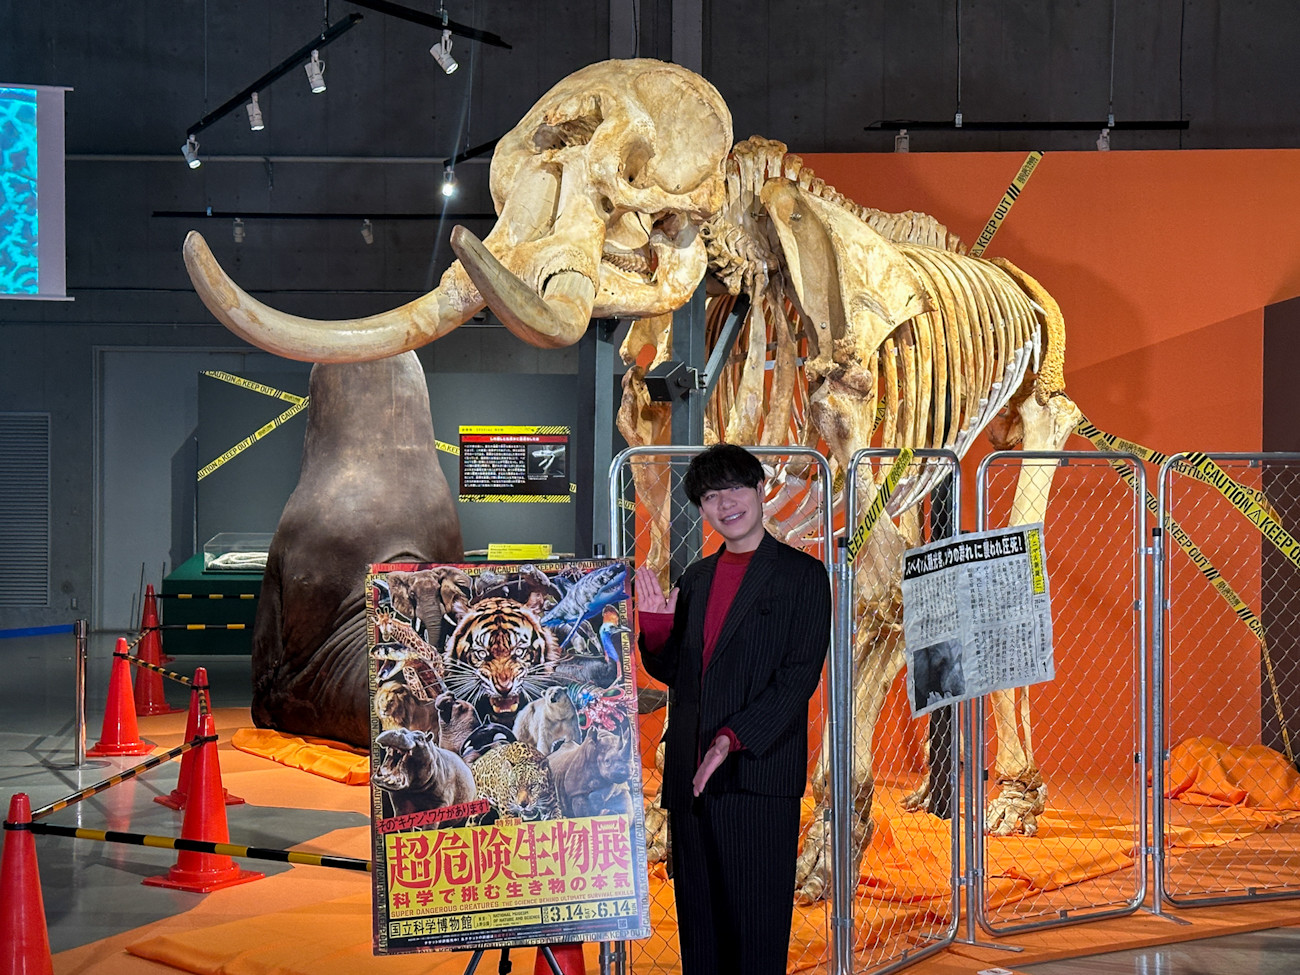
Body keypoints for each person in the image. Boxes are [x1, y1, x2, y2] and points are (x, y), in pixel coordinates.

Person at [635, 443, 831, 975]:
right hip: (692, 782)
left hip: (756, 775)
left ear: (760, 490)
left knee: (756, 930)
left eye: (735, 490)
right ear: (701, 508)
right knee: (701, 928)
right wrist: (654, 630)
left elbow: (797, 681)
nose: (725, 504)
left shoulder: (804, 578)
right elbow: (678, 673)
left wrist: (731, 738)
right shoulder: (696, 578)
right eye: (711, 496)